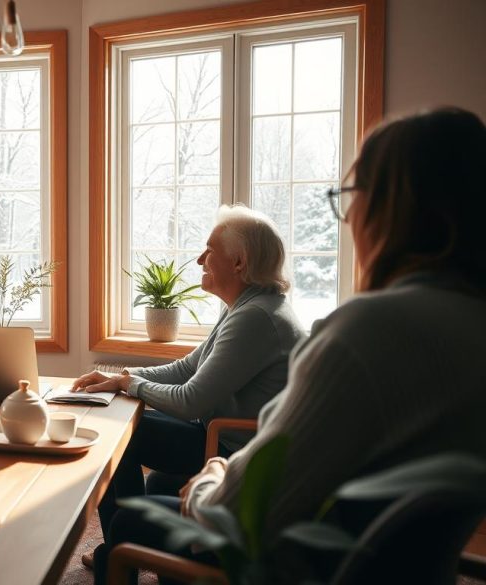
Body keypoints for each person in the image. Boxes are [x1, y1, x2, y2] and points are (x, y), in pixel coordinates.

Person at [96, 107, 486, 584]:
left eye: (351, 197)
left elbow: (240, 510)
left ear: (390, 209)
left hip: (306, 562)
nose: (348, 219)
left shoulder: (365, 332)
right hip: (394, 564)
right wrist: (126, 379)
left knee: (132, 519)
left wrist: (212, 474)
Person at [75, 205, 306, 567]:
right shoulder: (244, 307)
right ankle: (122, 547)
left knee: (119, 433)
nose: (200, 259)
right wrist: (119, 377)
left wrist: (128, 384)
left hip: (231, 450)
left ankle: (118, 553)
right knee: (125, 432)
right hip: (220, 434)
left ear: (240, 263)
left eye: (210, 251)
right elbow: (187, 368)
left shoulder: (257, 318)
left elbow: (191, 401)